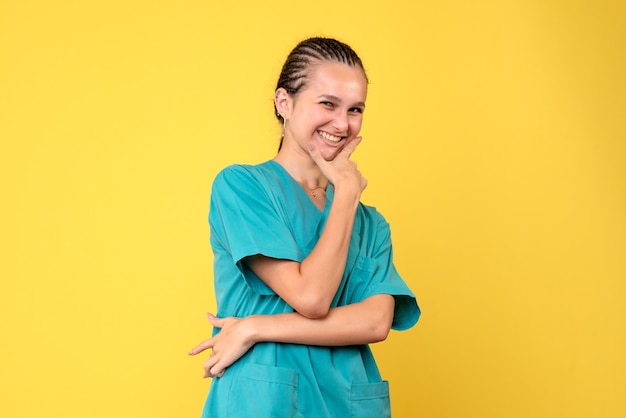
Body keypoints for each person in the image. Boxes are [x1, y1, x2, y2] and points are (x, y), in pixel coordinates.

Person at [189, 37, 420, 418]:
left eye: (355, 109)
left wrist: (254, 328)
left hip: (347, 403)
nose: (342, 124)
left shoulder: (371, 223)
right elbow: (311, 298)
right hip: (264, 402)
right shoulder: (242, 188)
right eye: (327, 103)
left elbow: (376, 322)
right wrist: (346, 194)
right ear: (285, 103)